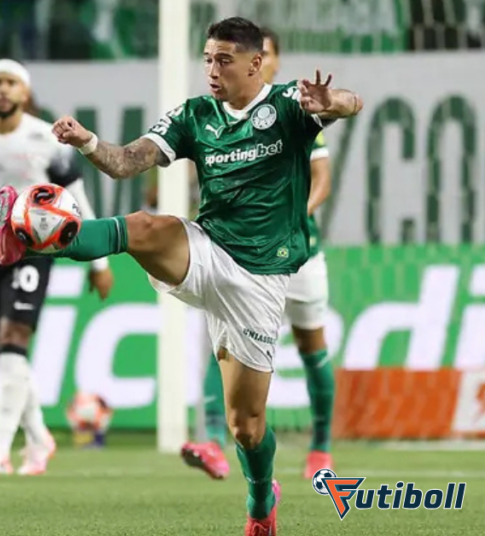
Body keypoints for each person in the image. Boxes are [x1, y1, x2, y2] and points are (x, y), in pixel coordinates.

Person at [0, 17, 361, 534]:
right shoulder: (194, 115)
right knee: (144, 227)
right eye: (207, 58)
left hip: (260, 279)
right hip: (206, 249)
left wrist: (333, 103)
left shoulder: (288, 107)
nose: (212, 69)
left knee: (246, 428)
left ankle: (260, 500)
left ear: (256, 63)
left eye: (224, 59)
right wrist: (87, 141)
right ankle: (27, 234)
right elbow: (125, 163)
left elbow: (350, 104)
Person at [0, 59, 113, 475]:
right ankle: (39, 437)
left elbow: (77, 201)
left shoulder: (46, 138)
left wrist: (99, 260)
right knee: (2, 350)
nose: (2, 89)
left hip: (34, 250)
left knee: (14, 339)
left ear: (24, 91)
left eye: (11, 83)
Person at [181, 27, 336, 482]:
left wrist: (283, 214)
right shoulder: (211, 116)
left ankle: (321, 448)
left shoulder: (294, 110)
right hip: (237, 255)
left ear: (267, 62)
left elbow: (321, 179)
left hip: (298, 251)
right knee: (222, 345)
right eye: (215, 58)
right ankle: (211, 440)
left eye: (263, 56)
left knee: (312, 345)